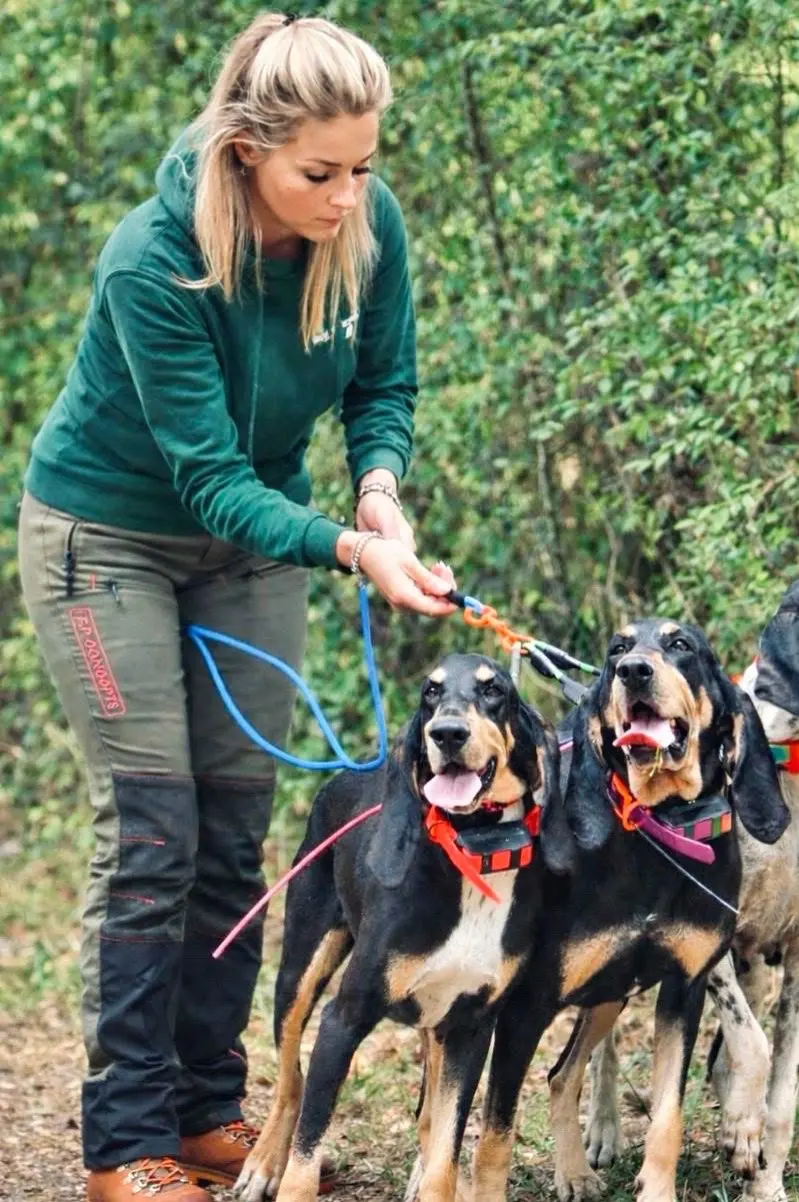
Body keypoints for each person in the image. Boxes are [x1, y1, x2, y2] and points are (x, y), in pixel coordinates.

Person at [17, 13, 456, 1201]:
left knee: (239, 835)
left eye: (364, 166)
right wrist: (353, 550)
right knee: (155, 830)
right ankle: (123, 1141)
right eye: (322, 172)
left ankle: (207, 1104)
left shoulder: (366, 225)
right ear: (247, 148)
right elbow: (208, 477)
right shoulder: (152, 260)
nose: (349, 193)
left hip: (263, 543)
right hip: (106, 541)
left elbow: (385, 381)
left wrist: (378, 490)